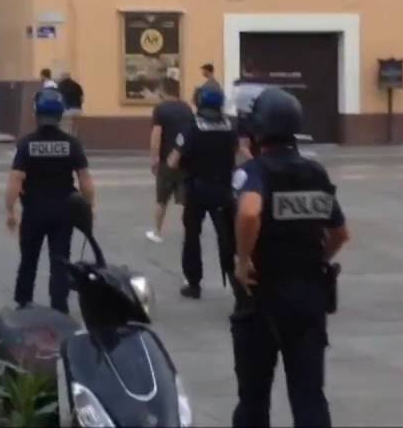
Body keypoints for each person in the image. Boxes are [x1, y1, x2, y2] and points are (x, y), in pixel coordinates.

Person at [231, 87, 349, 428]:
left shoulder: (255, 171)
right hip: (308, 296)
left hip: (262, 296)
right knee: (309, 395)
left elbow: (249, 212)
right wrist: (318, 258)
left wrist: (243, 260)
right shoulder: (315, 173)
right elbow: (341, 233)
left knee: (254, 396)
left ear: (258, 130)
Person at [5, 88, 96, 314]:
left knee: (29, 258)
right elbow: (85, 179)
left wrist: (10, 210)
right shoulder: (72, 143)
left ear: (36, 112)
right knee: (60, 260)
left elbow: (16, 179)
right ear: (60, 114)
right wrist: (90, 206)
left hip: (33, 211)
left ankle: (23, 301)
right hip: (64, 212)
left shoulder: (26, 144)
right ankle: (59, 305)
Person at [167, 86, 236, 298]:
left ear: (199, 103)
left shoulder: (191, 128)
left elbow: (173, 162)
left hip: (197, 190)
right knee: (227, 237)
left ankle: (194, 284)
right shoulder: (230, 127)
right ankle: (237, 282)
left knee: (192, 236)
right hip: (223, 190)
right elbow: (240, 155)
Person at [147, 80, 193, 243]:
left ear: (164, 90)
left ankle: (157, 232)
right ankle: (189, 233)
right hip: (185, 160)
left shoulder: (160, 109)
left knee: (162, 199)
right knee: (186, 200)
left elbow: (156, 135)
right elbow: (191, 133)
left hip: (166, 160)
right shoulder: (187, 108)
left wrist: (154, 159)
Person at [56, 72, 84, 136]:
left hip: (67, 110)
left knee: (65, 128)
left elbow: (59, 99)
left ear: (62, 78)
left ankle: (67, 140)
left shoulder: (60, 85)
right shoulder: (77, 85)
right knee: (76, 128)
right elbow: (82, 99)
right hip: (78, 110)